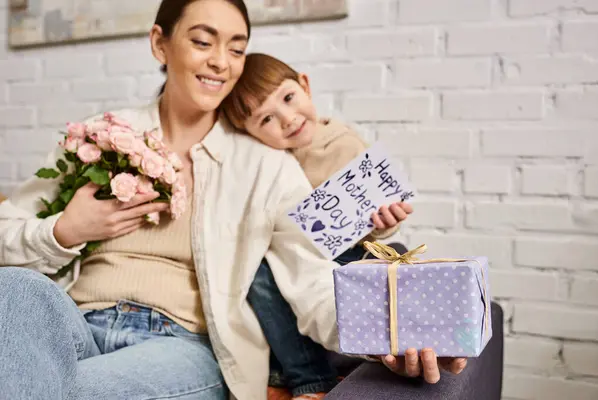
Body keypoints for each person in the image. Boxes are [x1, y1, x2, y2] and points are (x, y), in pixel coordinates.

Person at [0, 1, 467, 399]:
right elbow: (7, 231)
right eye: (203, 41)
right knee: (16, 291)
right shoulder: (99, 136)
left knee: (68, 389)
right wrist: (63, 232)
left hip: (178, 345)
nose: (222, 61)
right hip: (75, 321)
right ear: (160, 43)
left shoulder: (263, 163)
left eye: (237, 48)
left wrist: (389, 336)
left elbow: (313, 279)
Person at [222, 53, 414, 399]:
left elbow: (375, 222)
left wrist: (386, 223)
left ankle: (309, 374)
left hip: (351, 253)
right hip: (295, 258)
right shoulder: (267, 162)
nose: (288, 119)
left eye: (289, 98)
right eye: (266, 118)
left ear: (305, 86)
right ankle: (304, 377)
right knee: (259, 273)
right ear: (248, 133)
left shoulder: (344, 144)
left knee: (392, 258)